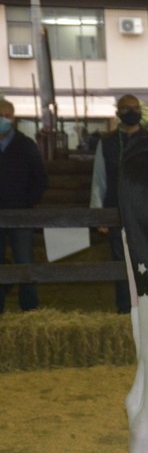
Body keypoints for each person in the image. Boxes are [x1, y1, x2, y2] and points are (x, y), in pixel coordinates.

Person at [90, 94, 148, 314]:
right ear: (117, 113)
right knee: (121, 261)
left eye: (135, 107)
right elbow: (99, 179)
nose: (132, 112)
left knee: (147, 261)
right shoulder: (107, 142)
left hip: (145, 212)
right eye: (126, 108)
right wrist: (98, 214)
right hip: (116, 210)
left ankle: (147, 309)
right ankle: (125, 309)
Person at [0, 98, 48, 314]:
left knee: (24, 260)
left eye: (7, 116)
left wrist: (27, 203)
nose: (3, 120)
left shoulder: (26, 145)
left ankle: (29, 308)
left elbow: (40, 178)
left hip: (21, 214)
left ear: (13, 117)